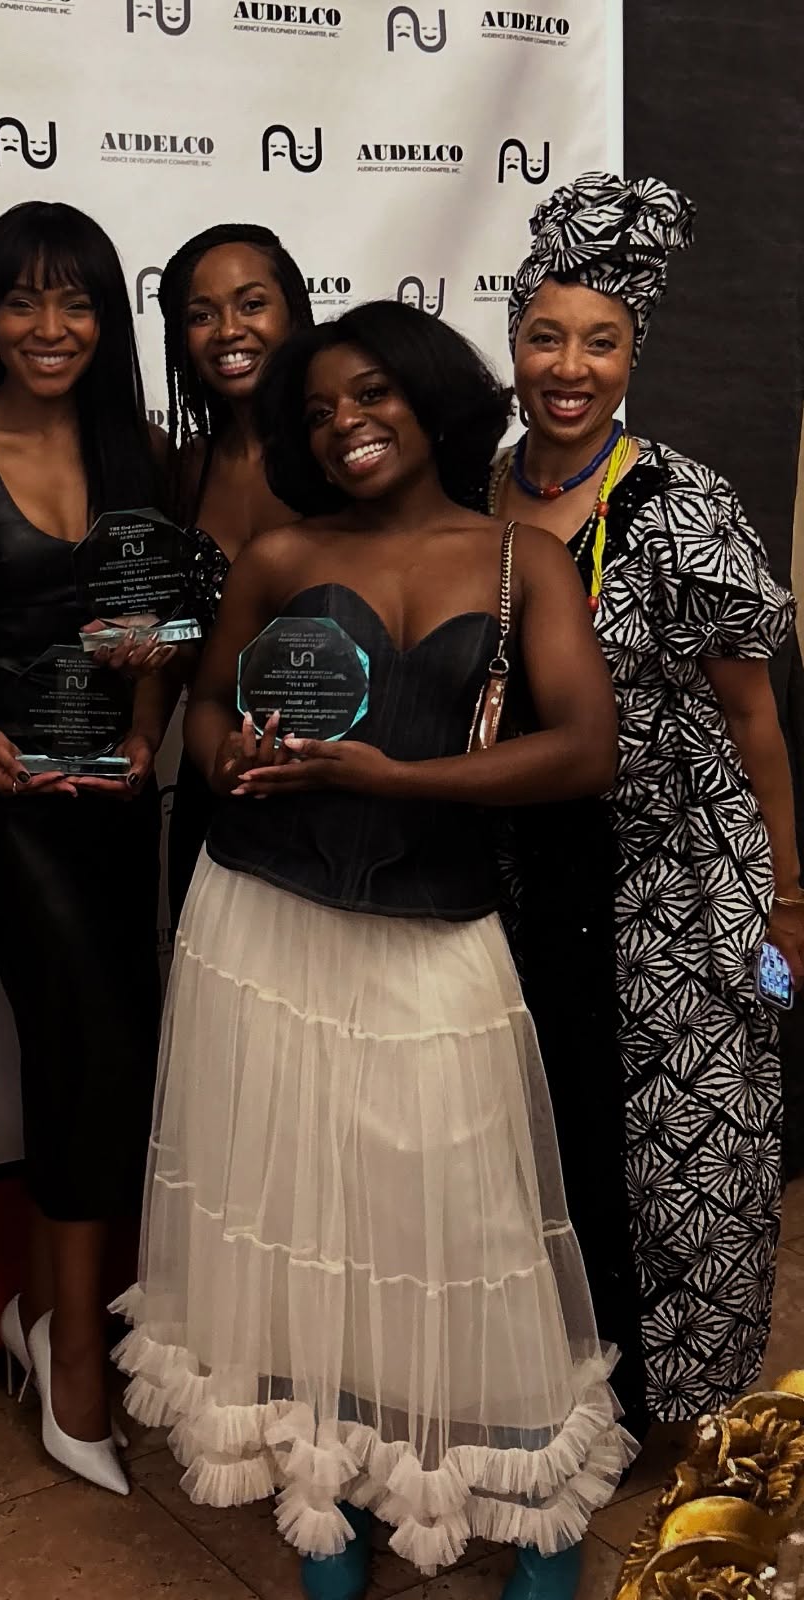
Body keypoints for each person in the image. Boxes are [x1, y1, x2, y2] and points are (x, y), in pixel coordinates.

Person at [115, 304, 635, 1600]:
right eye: (319, 411)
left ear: (427, 396)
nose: (345, 424)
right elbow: (204, 724)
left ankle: (533, 1503)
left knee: (466, 1220)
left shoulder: (525, 561)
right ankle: (329, 1499)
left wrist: (403, 775)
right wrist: (228, 752)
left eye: (370, 396)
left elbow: (585, 749)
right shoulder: (277, 550)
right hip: (263, 922)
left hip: (430, 932)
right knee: (294, 1210)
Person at [490, 172, 800, 1426]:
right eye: (546, 336)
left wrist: (786, 893)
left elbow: (753, 718)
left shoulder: (688, 504)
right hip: (521, 864)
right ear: (512, 343)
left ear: (634, 354)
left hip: (672, 875)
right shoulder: (477, 490)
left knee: (687, 1154)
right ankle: (559, 1387)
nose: (571, 367)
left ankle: (686, 1412)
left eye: (601, 342)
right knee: (542, 1137)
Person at [0, 201, 173, 1497]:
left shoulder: (145, 444)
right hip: (9, 804)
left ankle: (35, 1313)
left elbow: (170, 626)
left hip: (120, 805)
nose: (50, 328)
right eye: (24, 300)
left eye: (76, 302)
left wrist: (144, 723)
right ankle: (78, 1368)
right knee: (92, 1049)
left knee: (99, 1066)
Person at [157, 223, 309, 923]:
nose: (227, 331)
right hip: (215, 781)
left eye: (251, 304)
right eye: (200, 314)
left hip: (338, 786)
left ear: (292, 314)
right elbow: (190, 643)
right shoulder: (183, 471)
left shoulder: (341, 455)